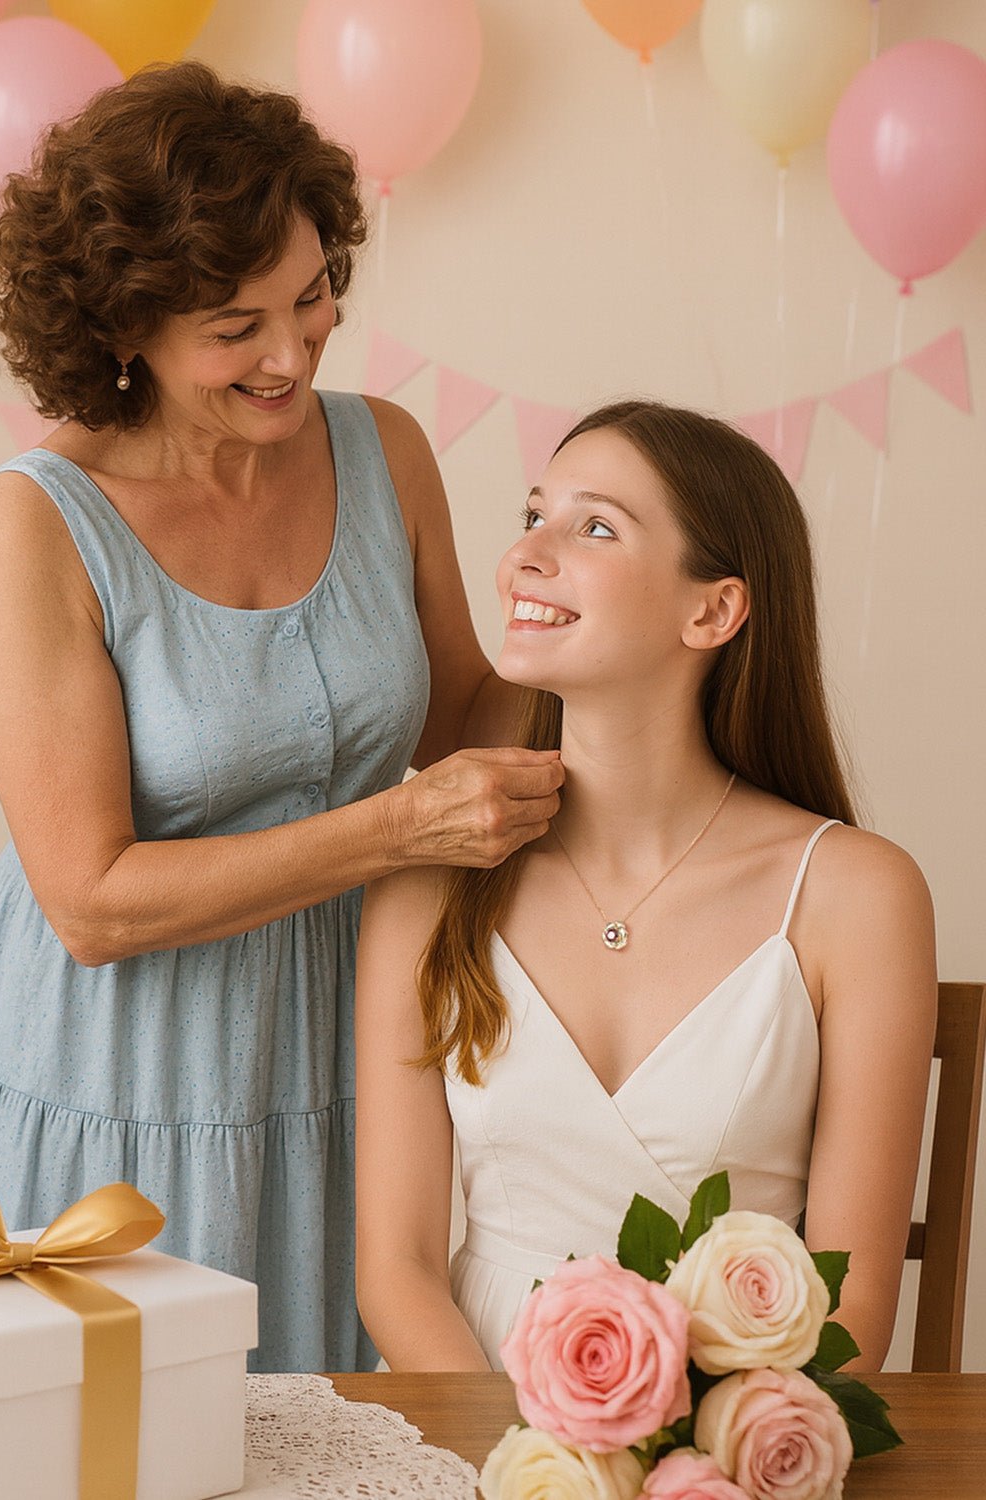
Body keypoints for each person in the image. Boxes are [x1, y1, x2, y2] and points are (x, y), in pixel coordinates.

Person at [0, 60, 563, 1374]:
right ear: (124, 328)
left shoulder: (386, 451)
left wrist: (585, 634)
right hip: (120, 1071)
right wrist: (395, 832)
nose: (290, 354)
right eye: (233, 325)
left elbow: (469, 720)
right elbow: (89, 901)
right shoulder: (34, 524)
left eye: (312, 297)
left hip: (344, 1048)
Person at [355, 399, 937, 1374]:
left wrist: (708, 1460)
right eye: (532, 514)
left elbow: (856, 1298)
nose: (526, 556)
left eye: (593, 526)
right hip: (472, 1442)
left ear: (712, 610)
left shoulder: (857, 896)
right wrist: (526, 1469)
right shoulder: (430, 880)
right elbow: (398, 1272)